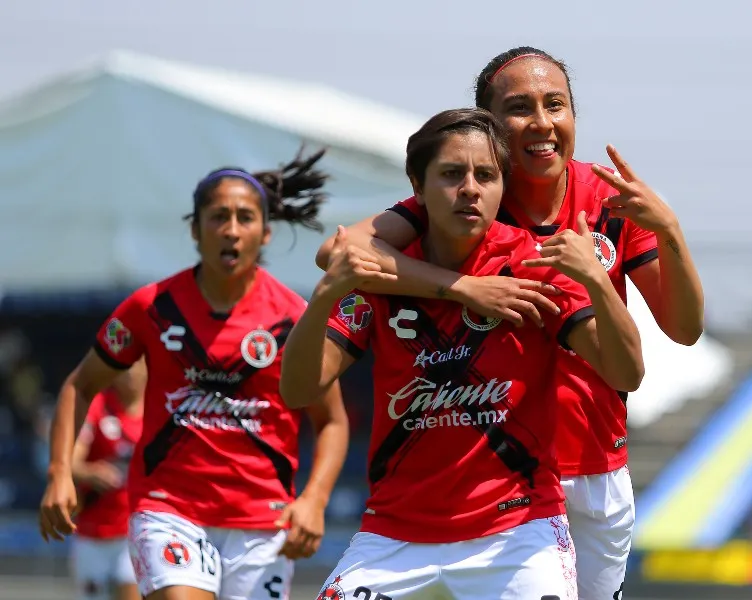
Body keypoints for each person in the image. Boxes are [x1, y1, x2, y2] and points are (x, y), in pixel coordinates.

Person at [314, 47, 705, 599]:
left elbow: (684, 329)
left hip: (595, 465)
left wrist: (669, 228)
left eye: (556, 105)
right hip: (500, 484)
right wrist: (464, 287)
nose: (542, 123)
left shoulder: (610, 199)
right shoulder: (470, 191)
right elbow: (338, 255)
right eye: (520, 108)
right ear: (489, 125)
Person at [281, 108, 644, 600]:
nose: (470, 188)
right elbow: (298, 388)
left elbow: (627, 372)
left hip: (517, 533)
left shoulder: (536, 264)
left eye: (487, 176)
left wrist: (597, 281)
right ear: (418, 186)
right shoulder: (378, 275)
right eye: (452, 174)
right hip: (394, 534)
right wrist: (325, 296)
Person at [38, 147, 351, 600]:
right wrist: (59, 472)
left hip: (263, 523)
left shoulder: (293, 318)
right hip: (169, 511)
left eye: (245, 218)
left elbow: (333, 421)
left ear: (265, 233)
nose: (231, 229)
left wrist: (314, 500)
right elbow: (80, 385)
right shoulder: (151, 307)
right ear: (194, 229)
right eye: (218, 216)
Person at [70, 360, 146, 600]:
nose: (130, 375)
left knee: (130, 590)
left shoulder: (160, 407)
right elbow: (71, 463)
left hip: (136, 531)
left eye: (136, 368)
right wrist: (92, 472)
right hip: (93, 531)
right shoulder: (97, 405)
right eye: (124, 370)